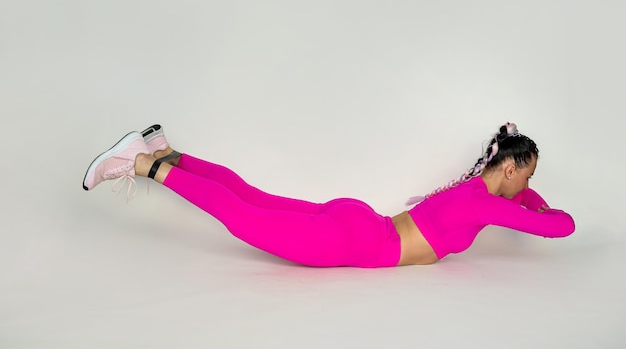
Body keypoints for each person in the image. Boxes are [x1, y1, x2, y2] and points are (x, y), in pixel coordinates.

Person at [82, 123, 575, 267]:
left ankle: (166, 151)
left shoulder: (474, 188)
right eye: (526, 175)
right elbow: (561, 224)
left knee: (251, 198)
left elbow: (527, 202)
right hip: (359, 243)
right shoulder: (484, 203)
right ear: (507, 167)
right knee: (240, 215)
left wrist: (525, 191)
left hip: (359, 222)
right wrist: (534, 200)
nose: (529, 188)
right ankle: (141, 162)